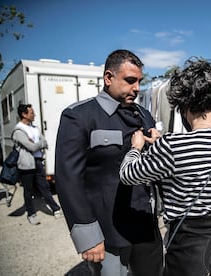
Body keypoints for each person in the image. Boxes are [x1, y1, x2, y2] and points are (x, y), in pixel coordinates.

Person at [119, 58, 211, 276]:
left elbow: (127, 175)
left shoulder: (172, 146)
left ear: (183, 104)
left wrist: (136, 148)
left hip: (190, 253)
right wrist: (163, 145)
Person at [55, 49, 163, 276]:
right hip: (108, 231)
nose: (136, 88)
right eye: (130, 81)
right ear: (108, 78)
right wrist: (88, 235)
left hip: (145, 226)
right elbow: (69, 180)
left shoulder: (144, 115)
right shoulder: (79, 116)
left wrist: (157, 146)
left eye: (139, 82)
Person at [12, 104, 63, 225]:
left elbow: (44, 142)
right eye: (31, 113)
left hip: (38, 162)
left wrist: (37, 143)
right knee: (28, 190)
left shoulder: (34, 128)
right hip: (26, 164)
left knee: (44, 187)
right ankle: (31, 214)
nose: (34, 115)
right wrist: (38, 143)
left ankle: (55, 209)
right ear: (24, 114)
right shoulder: (18, 130)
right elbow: (33, 146)